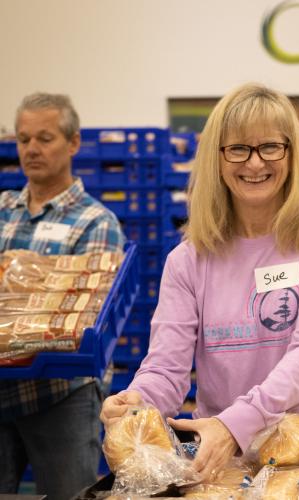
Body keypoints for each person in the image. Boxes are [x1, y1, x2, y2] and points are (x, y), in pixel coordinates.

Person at [100, 82, 299, 481]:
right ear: (217, 159)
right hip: (224, 464)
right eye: (238, 149)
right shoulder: (187, 260)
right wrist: (137, 401)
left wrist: (234, 424)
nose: (254, 164)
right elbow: (166, 368)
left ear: (292, 154)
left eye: (270, 147)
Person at [0, 93, 125, 500]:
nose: (31, 149)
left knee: (71, 496)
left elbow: (80, 318)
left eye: (45, 138)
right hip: (2, 390)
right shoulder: (3, 211)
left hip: (61, 397)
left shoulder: (96, 222)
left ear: (72, 143)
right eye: (23, 139)